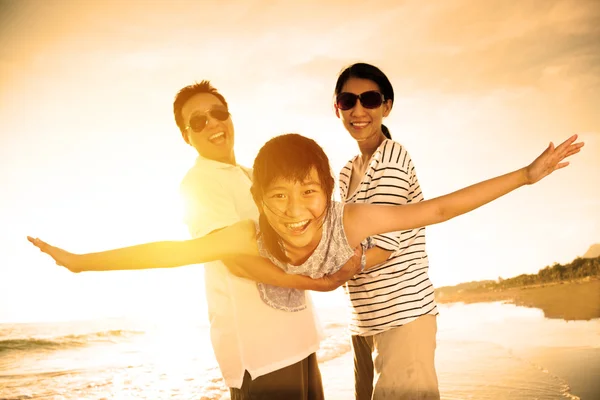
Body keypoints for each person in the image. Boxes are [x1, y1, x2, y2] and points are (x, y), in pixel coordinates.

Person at [30, 104, 581, 396]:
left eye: (310, 192)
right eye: (278, 197)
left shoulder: (351, 218)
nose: (296, 212)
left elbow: (436, 210)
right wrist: (82, 262)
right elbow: (171, 251)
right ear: (259, 200)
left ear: (328, 190)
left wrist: (528, 176)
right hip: (268, 355)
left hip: (337, 331)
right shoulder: (244, 231)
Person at [35, 81, 365, 400]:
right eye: (198, 120)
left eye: (219, 113)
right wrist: (81, 263)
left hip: (299, 339)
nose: (213, 124)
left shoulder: (254, 175)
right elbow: (233, 260)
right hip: (262, 353)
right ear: (186, 135)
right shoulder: (200, 183)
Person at [333, 62, 438, 399]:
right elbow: (344, 241)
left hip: (402, 318)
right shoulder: (347, 172)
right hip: (363, 321)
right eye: (348, 101)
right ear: (338, 109)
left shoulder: (391, 158)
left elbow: (381, 248)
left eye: (370, 99)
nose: (358, 110)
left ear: (386, 106)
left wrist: (320, 273)